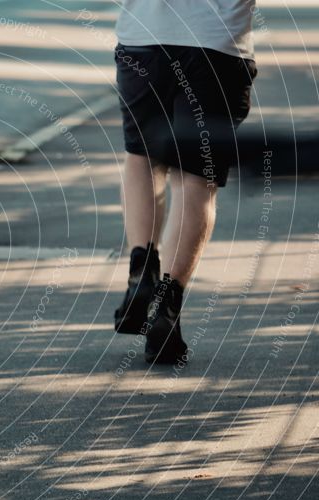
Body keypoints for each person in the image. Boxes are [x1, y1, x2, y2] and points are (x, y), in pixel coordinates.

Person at [111, 0, 257, 364]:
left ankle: (141, 272)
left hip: (144, 36)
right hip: (217, 45)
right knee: (195, 177)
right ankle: (166, 304)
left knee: (142, 156)